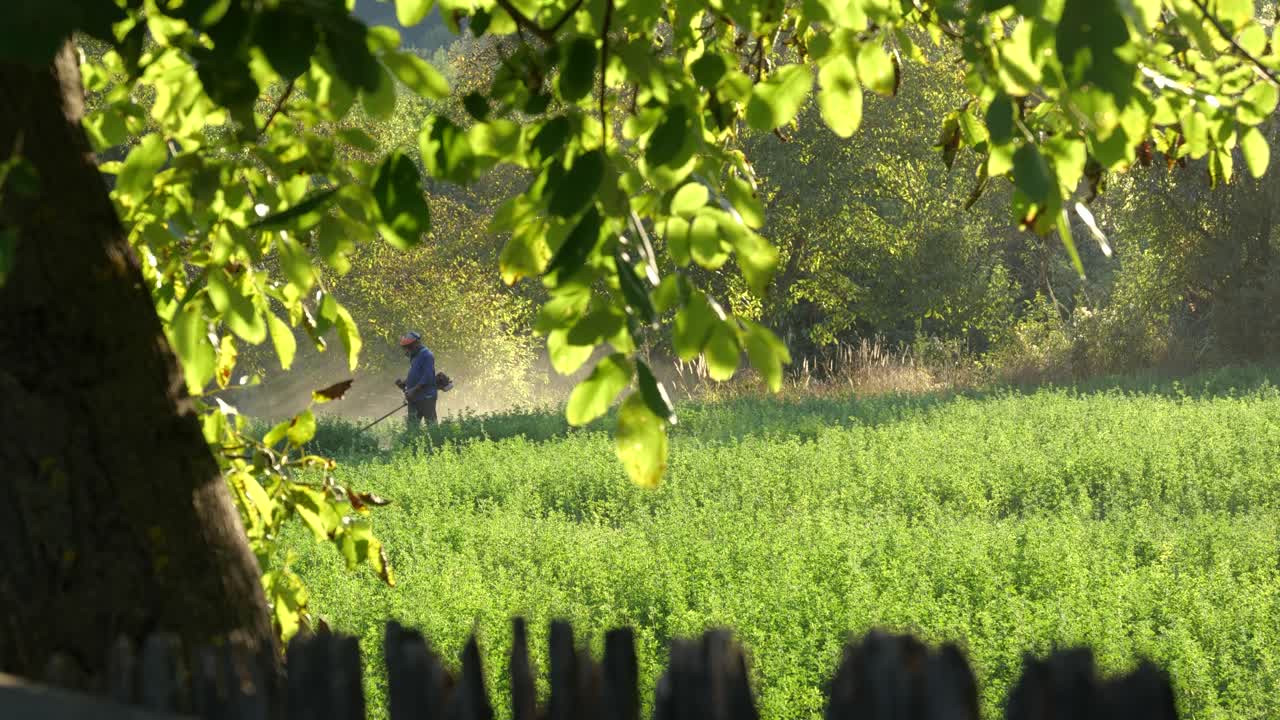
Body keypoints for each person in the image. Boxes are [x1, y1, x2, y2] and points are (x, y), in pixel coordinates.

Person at [394, 331, 437, 430]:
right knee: (412, 428)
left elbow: (427, 377)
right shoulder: (415, 357)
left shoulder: (427, 355)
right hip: (414, 398)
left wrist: (413, 390)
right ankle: (412, 444)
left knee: (432, 427)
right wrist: (404, 383)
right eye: (405, 347)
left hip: (426, 397)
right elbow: (416, 374)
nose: (407, 349)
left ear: (417, 343)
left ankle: (436, 443)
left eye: (409, 346)